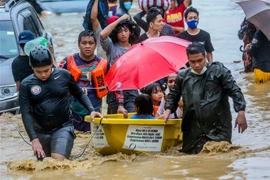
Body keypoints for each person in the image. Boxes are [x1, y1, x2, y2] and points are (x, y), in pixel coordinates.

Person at [19, 46, 103, 161]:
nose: (43, 75)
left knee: (58, 162)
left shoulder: (64, 75)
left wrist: (92, 110)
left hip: (63, 127)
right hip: (40, 131)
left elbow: (79, 94)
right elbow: (26, 113)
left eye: (46, 70)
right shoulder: (26, 84)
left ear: (51, 64)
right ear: (32, 67)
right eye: (38, 72)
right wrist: (34, 139)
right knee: (44, 168)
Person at [164, 42, 248, 154]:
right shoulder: (182, 76)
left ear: (205, 57)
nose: (197, 65)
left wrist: (241, 112)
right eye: (193, 62)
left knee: (220, 157)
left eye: (200, 60)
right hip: (192, 128)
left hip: (219, 126)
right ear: (188, 60)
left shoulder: (219, 71)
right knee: (193, 161)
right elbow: (174, 95)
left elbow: (234, 90)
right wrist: (168, 110)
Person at [59, 30, 110, 132]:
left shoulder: (104, 64)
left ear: (95, 45)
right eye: (84, 43)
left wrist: (120, 105)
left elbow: (115, 85)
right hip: (72, 112)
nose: (87, 46)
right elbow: (56, 84)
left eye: (91, 43)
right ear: (78, 44)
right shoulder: (67, 62)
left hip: (95, 112)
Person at [100, 14, 140, 116]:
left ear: (130, 32)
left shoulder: (135, 48)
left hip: (131, 88)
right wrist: (120, 19)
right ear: (116, 33)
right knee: (114, 118)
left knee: (132, 116)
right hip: (114, 88)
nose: (123, 34)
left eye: (126, 31)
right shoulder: (111, 46)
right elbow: (102, 35)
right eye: (120, 31)